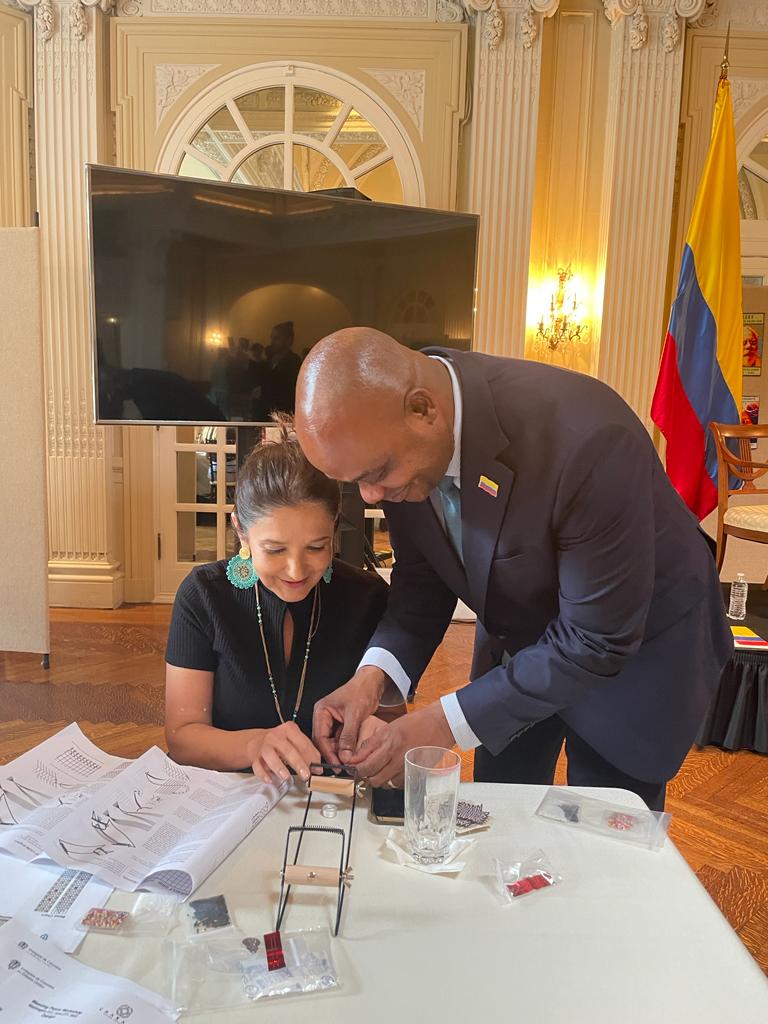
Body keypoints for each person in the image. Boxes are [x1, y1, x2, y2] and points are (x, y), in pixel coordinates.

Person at [294, 328, 732, 811]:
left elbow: (595, 641)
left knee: (610, 834)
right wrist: (370, 679)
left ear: (423, 410)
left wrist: (441, 722)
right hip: (519, 641)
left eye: (374, 476)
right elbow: (422, 582)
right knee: (502, 810)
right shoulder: (393, 448)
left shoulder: (587, 440)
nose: (372, 496)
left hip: (634, 650)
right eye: (357, 483)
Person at [165, 417, 389, 783]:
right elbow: (183, 737)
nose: (296, 569)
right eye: (275, 549)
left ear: (334, 527)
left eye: (317, 547)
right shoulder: (204, 596)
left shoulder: (368, 598)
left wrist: (376, 734)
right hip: (230, 797)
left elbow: (391, 716)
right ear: (241, 529)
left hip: (331, 802)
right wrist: (256, 745)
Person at [252, 321, 302, 420]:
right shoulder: (268, 362)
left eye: (277, 338)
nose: (272, 342)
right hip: (264, 415)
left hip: (284, 415)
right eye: (272, 338)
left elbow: (288, 391)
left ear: (288, 340)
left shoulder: (294, 362)